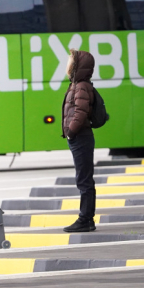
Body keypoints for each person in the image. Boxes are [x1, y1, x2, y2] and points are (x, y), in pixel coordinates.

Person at [61, 50, 97, 232]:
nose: (67, 65)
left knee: (84, 180)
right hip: (80, 137)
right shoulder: (78, 84)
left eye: (70, 61)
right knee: (83, 179)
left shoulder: (81, 86)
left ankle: (86, 220)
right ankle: (86, 219)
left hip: (81, 137)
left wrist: (71, 132)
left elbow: (80, 112)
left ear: (77, 65)